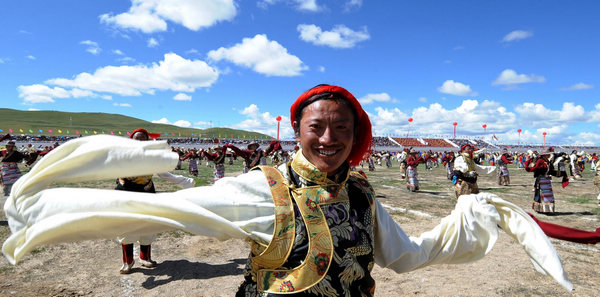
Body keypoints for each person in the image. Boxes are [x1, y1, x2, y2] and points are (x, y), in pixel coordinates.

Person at [3, 85, 572, 295]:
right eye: (316, 127)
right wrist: (47, 202)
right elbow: (172, 209)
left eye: (341, 129)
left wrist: (470, 215)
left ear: (357, 136)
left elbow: (405, 256)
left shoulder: (365, 195)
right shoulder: (261, 187)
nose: (329, 138)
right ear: (297, 131)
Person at [116, 128, 195, 274]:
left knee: (148, 224)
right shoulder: (122, 155)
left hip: (147, 193)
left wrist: (186, 181)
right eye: (136, 139)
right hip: (126, 194)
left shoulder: (152, 158)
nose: (139, 141)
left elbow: (165, 174)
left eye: (142, 139)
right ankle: (128, 261)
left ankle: (144, 257)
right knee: (126, 226)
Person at [525, 147, 556, 213]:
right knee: (542, 194)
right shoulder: (540, 161)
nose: (550, 155)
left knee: (547, 194)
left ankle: (548, 210)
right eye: (548, 154)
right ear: (544, 155)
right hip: (541, 180)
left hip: (547, 180)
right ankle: (541, 209)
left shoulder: (547, 161)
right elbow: (535, 168)